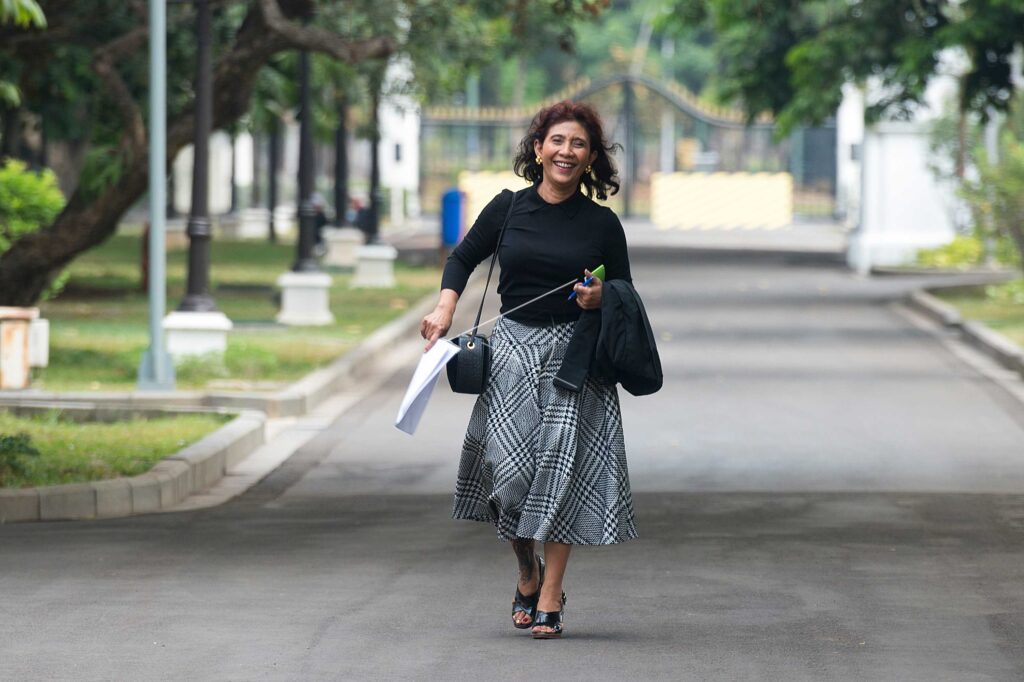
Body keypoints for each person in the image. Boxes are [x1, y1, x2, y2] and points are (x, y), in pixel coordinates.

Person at [420, 100, 636, 639]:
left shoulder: (602, 224)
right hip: (511, 353)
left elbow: (624, 293)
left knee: (561, 474)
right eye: (557, 141)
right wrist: (446, 305)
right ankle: (526, 567)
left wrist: (598, 299)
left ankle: (551, 592)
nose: (567, 151)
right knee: (510, 478)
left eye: (579, 144)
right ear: (538, 149)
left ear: (590, 160)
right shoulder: (509, 208)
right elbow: (462, 257)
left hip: (575, 359)